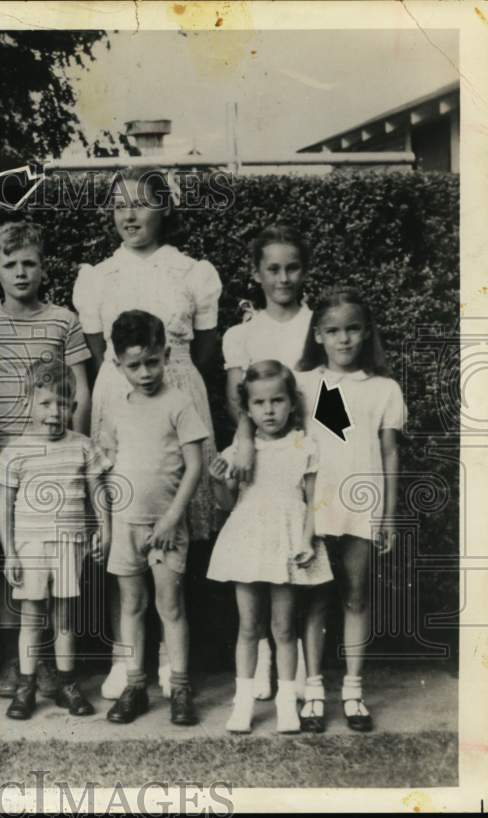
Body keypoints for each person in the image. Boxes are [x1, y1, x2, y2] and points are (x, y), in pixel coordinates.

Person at [72, 167, 222, 702]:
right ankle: (125, 656)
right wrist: (126, 378)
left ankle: (167, 657)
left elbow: (206, 346)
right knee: (123, 529)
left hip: (177, 390)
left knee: (171, 524)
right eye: (119, 205)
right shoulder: (99, 276)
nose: (129, 215)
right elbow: (99, 349)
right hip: (121, 395)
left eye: (141, 203)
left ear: (164, 209)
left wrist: (173, 377)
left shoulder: (191, 271)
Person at [0, 221, 92, 699]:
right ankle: (16, 660)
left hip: (56, 462)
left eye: (29, 263)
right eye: (9, 264)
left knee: (58, 565)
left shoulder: (63, 321)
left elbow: (81, 390)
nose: (20, 273)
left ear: (43, 268)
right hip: (3, 462)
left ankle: (51, 664)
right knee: (11, 561)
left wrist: (75, 450)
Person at [294, 287, 404, 733]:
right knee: (315, 598)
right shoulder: (303, 383)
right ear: (318, 335)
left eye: (353, 329)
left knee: (356, 595)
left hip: (363, 505)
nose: (344, 339)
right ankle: (313, 691)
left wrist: (389, 515)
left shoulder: (384, 388)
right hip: (316, 507)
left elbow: (390, 452)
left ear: (366, 332)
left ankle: (354, 691)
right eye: (334, 330)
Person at [207, 360, 333, 734]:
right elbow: (227, 504)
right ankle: (243, 703)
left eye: (277, 401)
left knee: (283, 627)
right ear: (247, 409)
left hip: (288, 543)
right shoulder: (240, 451)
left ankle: (286, 703)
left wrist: (308, 540)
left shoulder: (304, 446)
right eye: (259, 403)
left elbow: (314, 501)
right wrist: (218, 482)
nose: (269, 410)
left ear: (291, 403)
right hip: (249, 541)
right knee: (249, 626)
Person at [0, 359, 112, 720]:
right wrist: (10, 553)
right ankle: (26, 687)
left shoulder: (83, 446)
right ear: (28, 403)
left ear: (73, 406)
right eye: (45, 403)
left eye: (62, 403)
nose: (54, 412)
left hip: (69, 543)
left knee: (65, 618)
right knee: (31, 617)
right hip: (30, 546)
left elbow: (98, 491)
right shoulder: (16, 450)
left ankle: (67, 685)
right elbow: (4, 505)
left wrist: (104, 528)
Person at [100, 310, 207, 726]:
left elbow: (195, 466)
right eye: (134, 366)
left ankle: (179, 687)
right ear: (118, 364)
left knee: (170, 606)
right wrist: (108, 523)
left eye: (151, 362)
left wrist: (171, 518)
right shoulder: (116, 408)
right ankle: (135, 686)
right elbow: (107, 466)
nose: (144, 373)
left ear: (165, 354)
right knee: (131, 605)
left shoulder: (179, 404)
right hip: (126, 523)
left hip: (166, 526)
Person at [222, 224, 314, 700]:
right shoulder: (243, 334)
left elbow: (329, 393)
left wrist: (327, 449)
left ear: (304, 271)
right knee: (259, 561)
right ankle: (259, 666)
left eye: (292, 268)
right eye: (273, 269)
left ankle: (303, 676)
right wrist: (244, 440)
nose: (283, 278)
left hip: (306, 452)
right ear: (257, 274)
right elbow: (238, 399)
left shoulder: (315, 325)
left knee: (305, 564)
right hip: (261, 452)